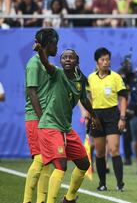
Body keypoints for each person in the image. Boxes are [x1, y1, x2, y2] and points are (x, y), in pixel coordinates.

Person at [34, 45, 100, 203]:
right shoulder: (56, 73)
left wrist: (94, 116)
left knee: (84, 163)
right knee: (61, 165)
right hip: (50, 126)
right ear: (61, 61)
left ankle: (69, 198)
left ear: (77, 61)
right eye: (64, 57)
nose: (68, 60)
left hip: (65, 127)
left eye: (71, 57)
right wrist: (41, 51)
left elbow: (84, 99)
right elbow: (46, 64)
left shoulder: (79, 80)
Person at [23, 28, 58, 203]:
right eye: (55, 43)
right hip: (36, 118)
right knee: (40, 159)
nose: (57, 47)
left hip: (45, 118)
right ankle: (27, 200)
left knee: (47, 161)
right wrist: (42, 118)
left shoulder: (46, 64)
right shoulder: (33, 64)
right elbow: (32, 92)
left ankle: (41, 201)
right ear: (48, 44)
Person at [87, 47, 128, 191]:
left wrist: (122, 117)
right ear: (97, 62)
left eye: (107, 59)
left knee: (114, 149)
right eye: (102, 59)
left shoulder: (116, 77)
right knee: (99, 152)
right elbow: (89, 98)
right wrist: (89, 116)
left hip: (112, 115)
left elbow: (123, 98)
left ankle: (119, 184)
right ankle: (102, 184)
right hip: (96, 115)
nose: (106, 62)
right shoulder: (91, 78)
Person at [117, 54, 134, 165]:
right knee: (126, 135)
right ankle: (127, 157)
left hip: (134, 109)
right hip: (123, 110)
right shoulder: (117, 78)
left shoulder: (134, 78)